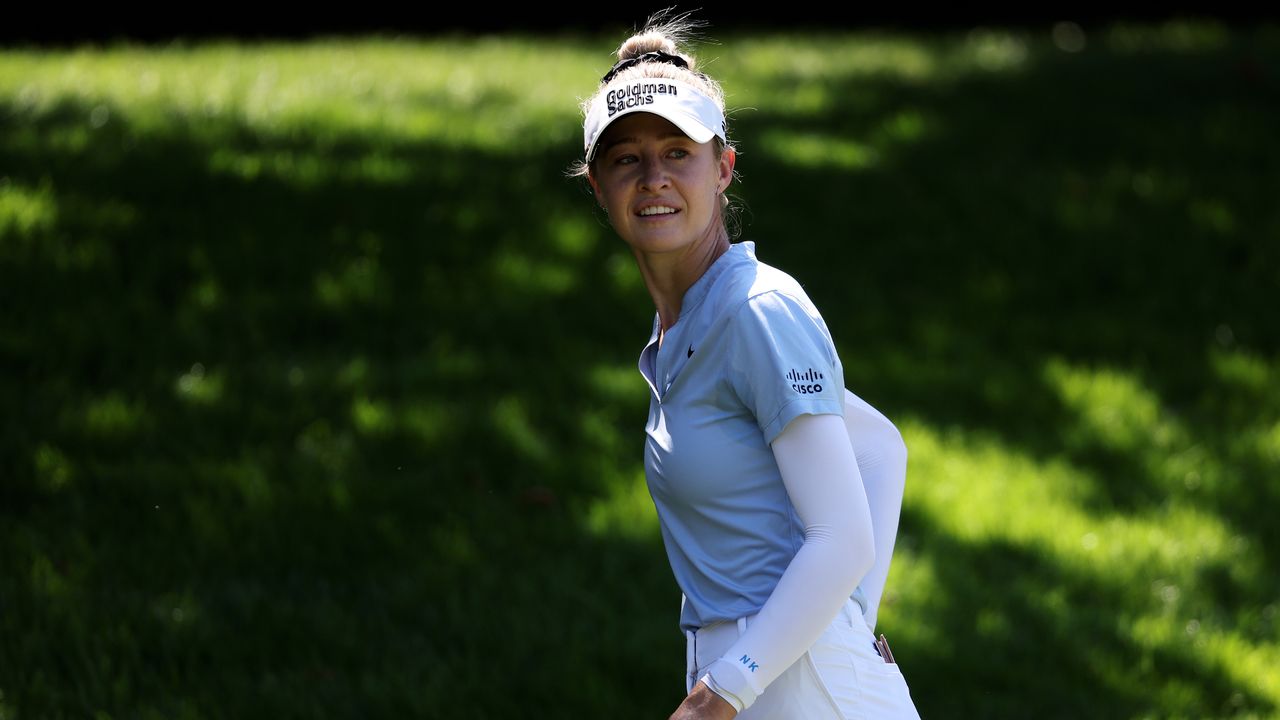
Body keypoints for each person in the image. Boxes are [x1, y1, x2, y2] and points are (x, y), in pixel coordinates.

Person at [573, 13, 922, 720]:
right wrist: (835, 623)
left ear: (724, 168)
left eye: (678, 153)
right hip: (770, 680)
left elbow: (843, 536)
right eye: (626, 159)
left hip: (794, 689)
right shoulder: (689, 326)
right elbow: (881, 448)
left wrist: (730, 688)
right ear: (596, 186)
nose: (653, 179)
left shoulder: (759, 312)